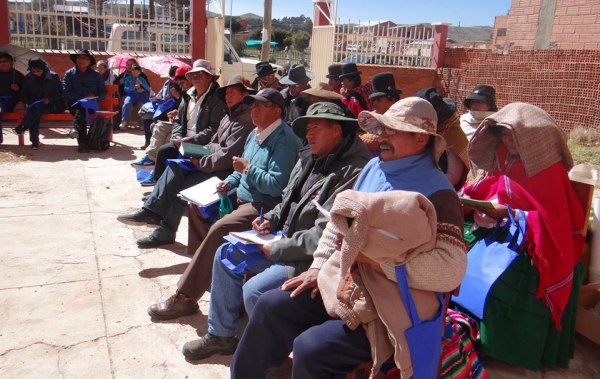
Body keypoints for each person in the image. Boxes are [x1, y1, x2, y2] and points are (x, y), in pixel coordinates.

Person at [231, 97, 467, 378]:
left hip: (392, 303)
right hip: (347, 283)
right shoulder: (373, 168)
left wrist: (381, 263)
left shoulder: (439, 194)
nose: (382, 137)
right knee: (270, 306)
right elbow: (337, 221)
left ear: (420, 140)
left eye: (393, 130)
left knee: (311, 348)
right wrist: (317, 268)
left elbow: (450, 269)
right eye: (382, 129)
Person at [174, 103, 371, 361]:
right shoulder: (312, 156)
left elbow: (326, 234)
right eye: (307, 128)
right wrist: (269, 220)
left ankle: (269, 354)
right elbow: (287, 199)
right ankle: (221, 335)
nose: (309, 134)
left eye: (316, 128)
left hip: (310, 258)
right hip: (283, 239)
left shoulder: (353, 172)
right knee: (225, 254)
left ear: (336, 130)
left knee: (255, 291)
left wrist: (277, 248)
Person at [145, 88, 302, 319]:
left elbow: (276, 186)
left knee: (220, 228)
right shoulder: (256, 133)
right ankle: (207, 277)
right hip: (242, 195)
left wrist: (246, 169)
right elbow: (240, 170)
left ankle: (186, 295)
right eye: (253, 105)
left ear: (277, 111)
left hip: (264, 206)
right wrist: (228, 182)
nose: (254, 109)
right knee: (196, 208)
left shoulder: (284, 142)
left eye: (260, 105)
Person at [460, 102, 584, 371]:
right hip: (505, 228)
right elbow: (494, 189)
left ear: (532, 137)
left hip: (539, 243)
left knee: (503, 281)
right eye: (503, 134)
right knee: (461, 249)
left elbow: (553, 222)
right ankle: (466, 327)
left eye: (511, 134)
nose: (506, 140)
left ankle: (505, 347)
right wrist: (483, 208)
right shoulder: (506, 157)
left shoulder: (548, 169)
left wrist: (508, 214)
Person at [117, 76, 258, 248]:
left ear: (245, 95)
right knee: (175, 167)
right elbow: (213, 143)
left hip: (225, 174)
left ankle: (155, 216)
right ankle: (158, 221)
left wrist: (201, 162)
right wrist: (197, 152)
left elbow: (227, 156)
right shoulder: (228, 116)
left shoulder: (244, 120)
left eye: (233, 92)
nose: (228, 96)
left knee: (179, 181)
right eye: (226, 92)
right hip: (212, 166)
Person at [139, 59, 226, 186]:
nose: (195, 77)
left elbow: (215, 128)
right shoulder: (187, 95)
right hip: (184, 141)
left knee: (181, 160)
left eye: (200, 73)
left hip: (205, 145)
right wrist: (177, 137)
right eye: (193, 74)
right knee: (163, 151)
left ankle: (169, 192)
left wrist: (192, 140)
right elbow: (179, 121)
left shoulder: (217, 98)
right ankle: (158, 187)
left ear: (210, 77)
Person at [130, 64, 192, 169]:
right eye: (178, 82)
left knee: (167, 139)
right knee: (158, 125)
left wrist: (177, 97)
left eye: (182, 82)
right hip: (175, 119)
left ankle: (156, 169)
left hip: (188, 127)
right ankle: (150, 158)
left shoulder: (194, 93)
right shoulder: (182, 89)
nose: (181, 85)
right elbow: (185, 110)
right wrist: (176, 112)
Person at [415, 87, 469, 189]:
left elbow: (454, 176)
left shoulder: (452, 136)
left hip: (446, 190)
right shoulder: (429, 134)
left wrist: (425, 185)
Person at [14, 58, 65, 149]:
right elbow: (24, 94)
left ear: (43, 69)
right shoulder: (29, 78)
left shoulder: (53, 77)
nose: (36, 73)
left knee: (36, 111)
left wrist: (49, 99)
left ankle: (25, 130)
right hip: (35, 105)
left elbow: (59, 93)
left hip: (54, 105)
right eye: (33, 71)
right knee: (35, 111)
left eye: (38, 71)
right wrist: (26, 103)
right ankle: (34, 141)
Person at [62, 49, 106, 153]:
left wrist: (95, 98)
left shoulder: (95, 75)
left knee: (82, 109)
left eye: (84, 58)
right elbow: (65, 91)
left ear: (89, 61)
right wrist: (80, 99)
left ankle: (79, 136)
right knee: (81, 108)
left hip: (91, 105)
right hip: (74, 104)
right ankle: (82, 142)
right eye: (79, 58)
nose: (81, 60)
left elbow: (103, 92)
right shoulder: (69, 73)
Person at [139, 65, 183, 150]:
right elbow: (160, 94)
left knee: (154, 124)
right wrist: (159, 98)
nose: (172, 79)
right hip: (163, 106)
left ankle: (153, 151)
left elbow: (184, 104)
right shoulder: (167, 83)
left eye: (174, 78)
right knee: (146, 115)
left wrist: (177, 97)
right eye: (170, 77)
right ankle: (148, 142)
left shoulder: (181, 86)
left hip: (173, 110)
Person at [359, 72, 402, 152]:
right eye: (373, 100)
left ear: (392, 100)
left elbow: (375, 143)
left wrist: (360, 137)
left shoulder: (401, 120)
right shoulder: (373, 117)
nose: (374, 103)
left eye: (379, 100)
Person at [0, 51, 24, 144]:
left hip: (8, 101)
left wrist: (18, 89)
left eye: (5, 61)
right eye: (0, 61)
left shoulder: (18, 75)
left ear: (11, 63)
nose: (2, 63)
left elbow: (24, 95)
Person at [119, 65, 151, 130]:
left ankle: (145, 123)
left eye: (137, 72)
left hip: (141, 94)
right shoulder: (128, 78)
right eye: (134, 72)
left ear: (139, 72)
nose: (135, 74)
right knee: (127, 103)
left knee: (147, 104)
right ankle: (124, 122)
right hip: (131, 94)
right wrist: (133, 88)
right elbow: (125, 88)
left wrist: (142, 84)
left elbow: (148, 88)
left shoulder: (142, 79)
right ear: (131, 71)